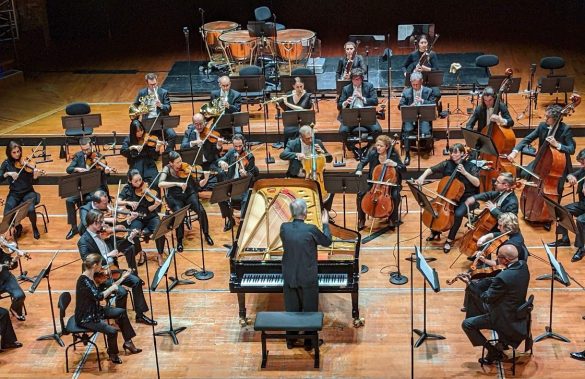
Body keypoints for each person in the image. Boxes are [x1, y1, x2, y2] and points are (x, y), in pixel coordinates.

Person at [78, 209, 156, 326]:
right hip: (100, 276)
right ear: (93, 223)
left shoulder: (102, 234)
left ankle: (140, 315)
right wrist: (108, 255)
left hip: (113, 269)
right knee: (122, 292)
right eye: (100, 222)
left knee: (136, 281)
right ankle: (120, 319)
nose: (103, 225)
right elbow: (87, 261)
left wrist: (130, 238)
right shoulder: (83, 241)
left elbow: (118, 247)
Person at [461, 244, 530, 365]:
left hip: (503, 318)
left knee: (467, 324)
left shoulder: (503, 277)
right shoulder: (523, 266)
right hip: (517, 312)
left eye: (498, 258)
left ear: (506, 260)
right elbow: (507, 283)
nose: (497, 260)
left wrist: (469, 284)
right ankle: (501, 343)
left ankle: (493, 351)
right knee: (476, 297)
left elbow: (486, 298)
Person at [280, 198, 331, 350]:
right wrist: (326, 224)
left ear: (292, 213)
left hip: (289, 275)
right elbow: (327, 241)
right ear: (305, 213)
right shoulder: (311, 229)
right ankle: (309, 343)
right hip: (307, 276)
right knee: (309, 310)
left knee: (291, 309)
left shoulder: (284, 227)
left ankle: (291, 340)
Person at [75, 253, 142, 364]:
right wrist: (111, 288)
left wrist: (122, 278)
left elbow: (106, 289)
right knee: (112, 331)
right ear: (95, 265)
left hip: (95, 310)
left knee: (121, 312)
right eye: (101, 264)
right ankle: (113, 354)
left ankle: (128, 342)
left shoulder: (90, 277)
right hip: (86, 317)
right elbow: (99, 296)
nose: (102, 267)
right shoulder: (83, 281)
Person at [416, 143, 480, 253]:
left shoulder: (470, 166)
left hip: (466, 198)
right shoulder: (447, 164)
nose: (452, 154)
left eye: (455, 152)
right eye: (451, 152)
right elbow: (430, 169)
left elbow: (477, 183)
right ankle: (435, 231)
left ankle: (449, 240)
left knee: (458, 214)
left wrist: (465, 173)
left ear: (463, 154)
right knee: (430, 206)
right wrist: (422, 177)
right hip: (447, 197)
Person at [507, 104, 576, 201]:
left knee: (557, 187)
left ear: (556, 119)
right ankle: (532, 200)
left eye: (548, 117)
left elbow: (571, 149)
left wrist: (557, 145)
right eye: (545, 116)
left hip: (558, 165)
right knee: (524, 173)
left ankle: (555, 208)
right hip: (542, 160)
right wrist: (514, 152)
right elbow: (527, 139)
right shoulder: (542, 126)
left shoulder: (565, 129)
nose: (545, 119)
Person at [158, 151, 214, 249]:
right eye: (177, 162)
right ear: (171, 163)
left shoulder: (186, 168)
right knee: (180, 214)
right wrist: (177, 184)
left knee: (201, 210)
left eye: (180, 161)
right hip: (175, 197)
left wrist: (206, 178)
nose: (180, 164)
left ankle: (206, 234)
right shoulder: (166, 169)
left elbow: (199, 184)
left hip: (189, 194)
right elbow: (160, 184)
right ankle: (179, 240)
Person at [78, 190, 145, 269]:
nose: (107, 205)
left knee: (129, 246)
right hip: (93, 239)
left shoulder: (106, 210)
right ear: (96, 203)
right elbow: (87, 224)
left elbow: (118, 226)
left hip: (104, 237)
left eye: (107, 202)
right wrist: (107, 222)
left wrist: (129, 219)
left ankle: (133, 270)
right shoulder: (85, 209)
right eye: (105, 203)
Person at [64, 137, 112, 240]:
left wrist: (106, 172)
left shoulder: (99, 156)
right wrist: (77, 169)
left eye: (88, 149)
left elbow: (104, 178)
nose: (86, 152)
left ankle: (89, 225)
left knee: (91, 200)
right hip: (82, 187)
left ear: (92, 145)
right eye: (83, 150)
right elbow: (69, 169)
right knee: (69, 201)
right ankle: (74, 228)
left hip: (95, 187)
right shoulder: (78, 156)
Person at [355, 135, 405, 230]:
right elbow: (362, 162)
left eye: (381, 146)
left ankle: (392, 219)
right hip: (374, 183)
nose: (378, 147)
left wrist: (394, 164)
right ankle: (361, 220)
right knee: (360, 194)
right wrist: (359, 169)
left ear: (387, 147)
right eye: (377, 145)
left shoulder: (393, 155)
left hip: (391, 185)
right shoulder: (372, 153)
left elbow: (403, 169)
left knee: (395, 196)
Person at [117, 170, 166, 266]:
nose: (139, 183)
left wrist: (156, 205)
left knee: (159, 232)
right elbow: (118, 202)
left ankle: (160, 254)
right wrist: (128, 202)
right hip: (137, 218)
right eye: (136, 181)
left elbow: (149, 209)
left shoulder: (147, 187)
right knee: (133, 233)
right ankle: (141, 253)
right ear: (130, 181)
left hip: (150, 216)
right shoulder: (127, 189)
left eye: (140, 179)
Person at [279, 125, 334, 210]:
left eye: (311, 137)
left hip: (315, 177)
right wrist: (296, 154)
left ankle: (323, 210)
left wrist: (323, 152)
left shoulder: (317, 142)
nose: (310, 140)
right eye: (307, 139)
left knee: (331, 190)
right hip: (297, 177)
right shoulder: (293, 143)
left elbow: (329, 159)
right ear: (301, 137)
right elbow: (282, 155)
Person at [547, 148, 585, 262]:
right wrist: (571, 177)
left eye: (583, 163)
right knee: (562, 210)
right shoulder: (584, 170)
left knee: (581, 220)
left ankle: (582, 248)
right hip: (583, 203)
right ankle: (564, 239)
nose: (581, 165)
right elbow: (573, 174)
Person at [0, 141, 43, 239]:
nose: (17, 154)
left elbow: (34, 182)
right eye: (14, 152)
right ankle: (18, 226)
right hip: (14, 193)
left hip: (28, 192)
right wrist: (8, 174)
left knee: (31, 210)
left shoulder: (26, 163)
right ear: (9, 153)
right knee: (7, 213)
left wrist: (35, 176)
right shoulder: (6, 164)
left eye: (18, 151)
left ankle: (34, 227)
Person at [216, 134, 259, 231]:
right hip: (231, 182)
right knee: (221, 198)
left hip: (244, 185)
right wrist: (222, 162)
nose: (238, 148)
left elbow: (252, 174)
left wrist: (246, 174)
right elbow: (221, 159)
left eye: (240, 146)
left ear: (244, 143)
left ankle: (244, 222)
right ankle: (230, 219)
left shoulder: (249, 156)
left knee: (245, 199)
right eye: (236, 146)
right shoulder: (231, 152)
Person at [337, 68, 381, 158]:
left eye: (358, 79)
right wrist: (345, 102)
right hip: (351, 116)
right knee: (342, 131)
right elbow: (339, 105)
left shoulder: (369, 86)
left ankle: (367, 148)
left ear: (362, 79)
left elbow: (375, 101)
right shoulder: (346, 89)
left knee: (378, 130)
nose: (356, 81)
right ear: (351, 79)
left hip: (366, 115)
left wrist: (362, 98)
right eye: (354, 79)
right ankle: (354, 149)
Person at [398, 71, 437, 166]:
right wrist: (410, 106)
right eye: (413, 84)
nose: (415, 86)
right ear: (411, 83)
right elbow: (400, 106)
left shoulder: (429, 91)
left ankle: (425, 149)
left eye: (417, 84)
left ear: (422, 82)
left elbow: (433, 104)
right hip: (410, 117)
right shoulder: (406, 92)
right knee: (407, 130)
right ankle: (407, 154)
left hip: (424, 116)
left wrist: (423, 101)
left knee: (426, 132)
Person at [133, 72, 176, 151]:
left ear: (157, 82)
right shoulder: (142, 93)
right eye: (151, 85)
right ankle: (153, 154)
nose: (153, 86)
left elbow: (168, 108)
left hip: (162, 121)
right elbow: (135, 106)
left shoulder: (163, 92)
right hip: (148, 123)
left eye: (155, 84)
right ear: (147, 83)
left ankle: (167, 154)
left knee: (172, 135)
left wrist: (161, 105)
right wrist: (140, 111)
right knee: (143, 137)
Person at [121, 117, 164, 186]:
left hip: (148, 163)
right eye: (137, 131)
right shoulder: (129, 139)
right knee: (136, 182)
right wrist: (132, 147)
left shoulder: (147, 138)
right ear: (133, 132)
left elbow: (155, 157)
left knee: (155, 182)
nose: (141, 133)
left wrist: (157, 148)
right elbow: (122, 151)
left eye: (141, 130)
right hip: (136, 163)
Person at [278, 77, 313, 148]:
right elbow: (284, 107)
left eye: (301, 86)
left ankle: (301, 148)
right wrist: (277, 102)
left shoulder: (307, 96)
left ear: (303, 85)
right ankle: (288, 149)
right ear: (293, 86)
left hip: (304, 122)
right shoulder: (289, 94)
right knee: (287, 130)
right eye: (297, 87)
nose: (300, 89)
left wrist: (287, 103)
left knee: (301, 131)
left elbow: (301, 109)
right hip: (292, 122)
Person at [0, 246, 26, 321]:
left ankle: (14, 309)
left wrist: (16, 258)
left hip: (7, 278)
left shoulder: (2, 251)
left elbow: (10, 265)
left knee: (20, 295)